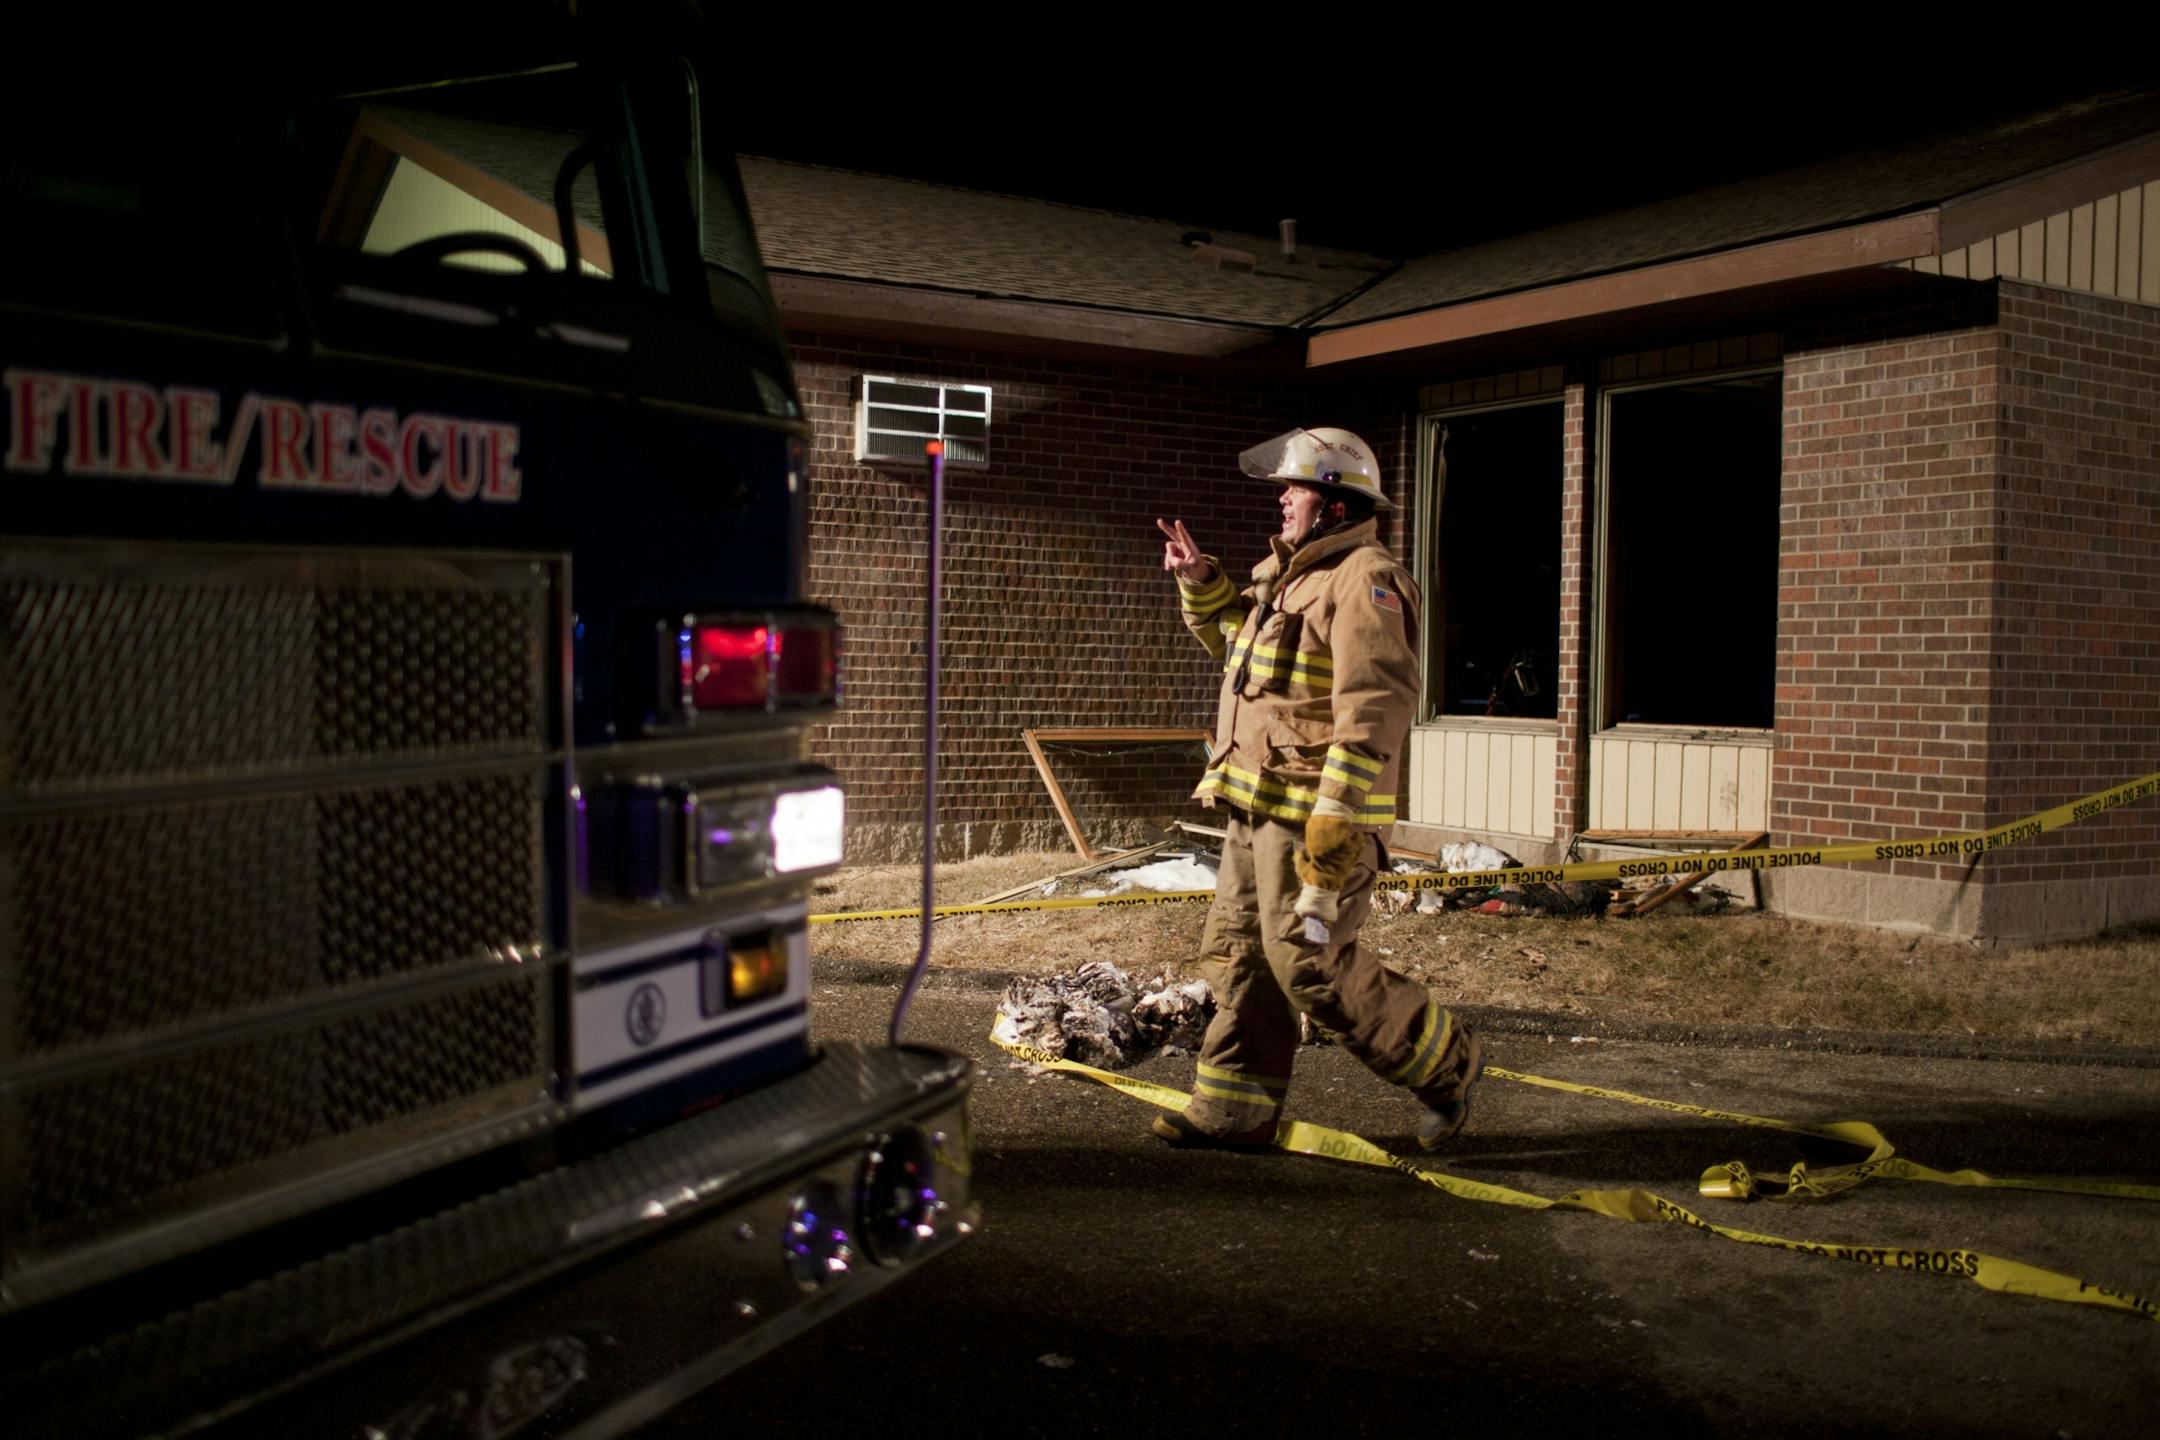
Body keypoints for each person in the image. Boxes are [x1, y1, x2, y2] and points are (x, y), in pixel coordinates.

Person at [1153, 426, 1482, 1151]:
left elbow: (1377, 702)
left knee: (1308, 962)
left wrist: (1337, 820)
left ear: (1334, 504)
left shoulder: (1366, 579)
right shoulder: (1290, 577)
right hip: (1255, 807)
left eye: (1295, 489)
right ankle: (1233, 1111)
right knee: (1241, 954)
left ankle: (1450, 1065)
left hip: (1312, 822)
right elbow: (1243, 653)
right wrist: (1201, 582)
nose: (1284, 503)